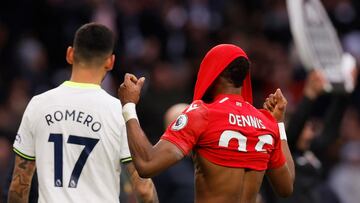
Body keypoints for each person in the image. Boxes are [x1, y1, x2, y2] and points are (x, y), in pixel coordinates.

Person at [118, 44, 295, 203]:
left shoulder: (203, 114)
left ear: (212, 72)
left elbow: (147, 164)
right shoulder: (265, 122)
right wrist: (278, 123)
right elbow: (286, 187)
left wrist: (129, 105)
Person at [8, 23, 157, 203]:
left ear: (70, 54)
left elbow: (19, 185)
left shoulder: (38, 104)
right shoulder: (119, 111)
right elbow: (143, 190)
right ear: (110, 62)